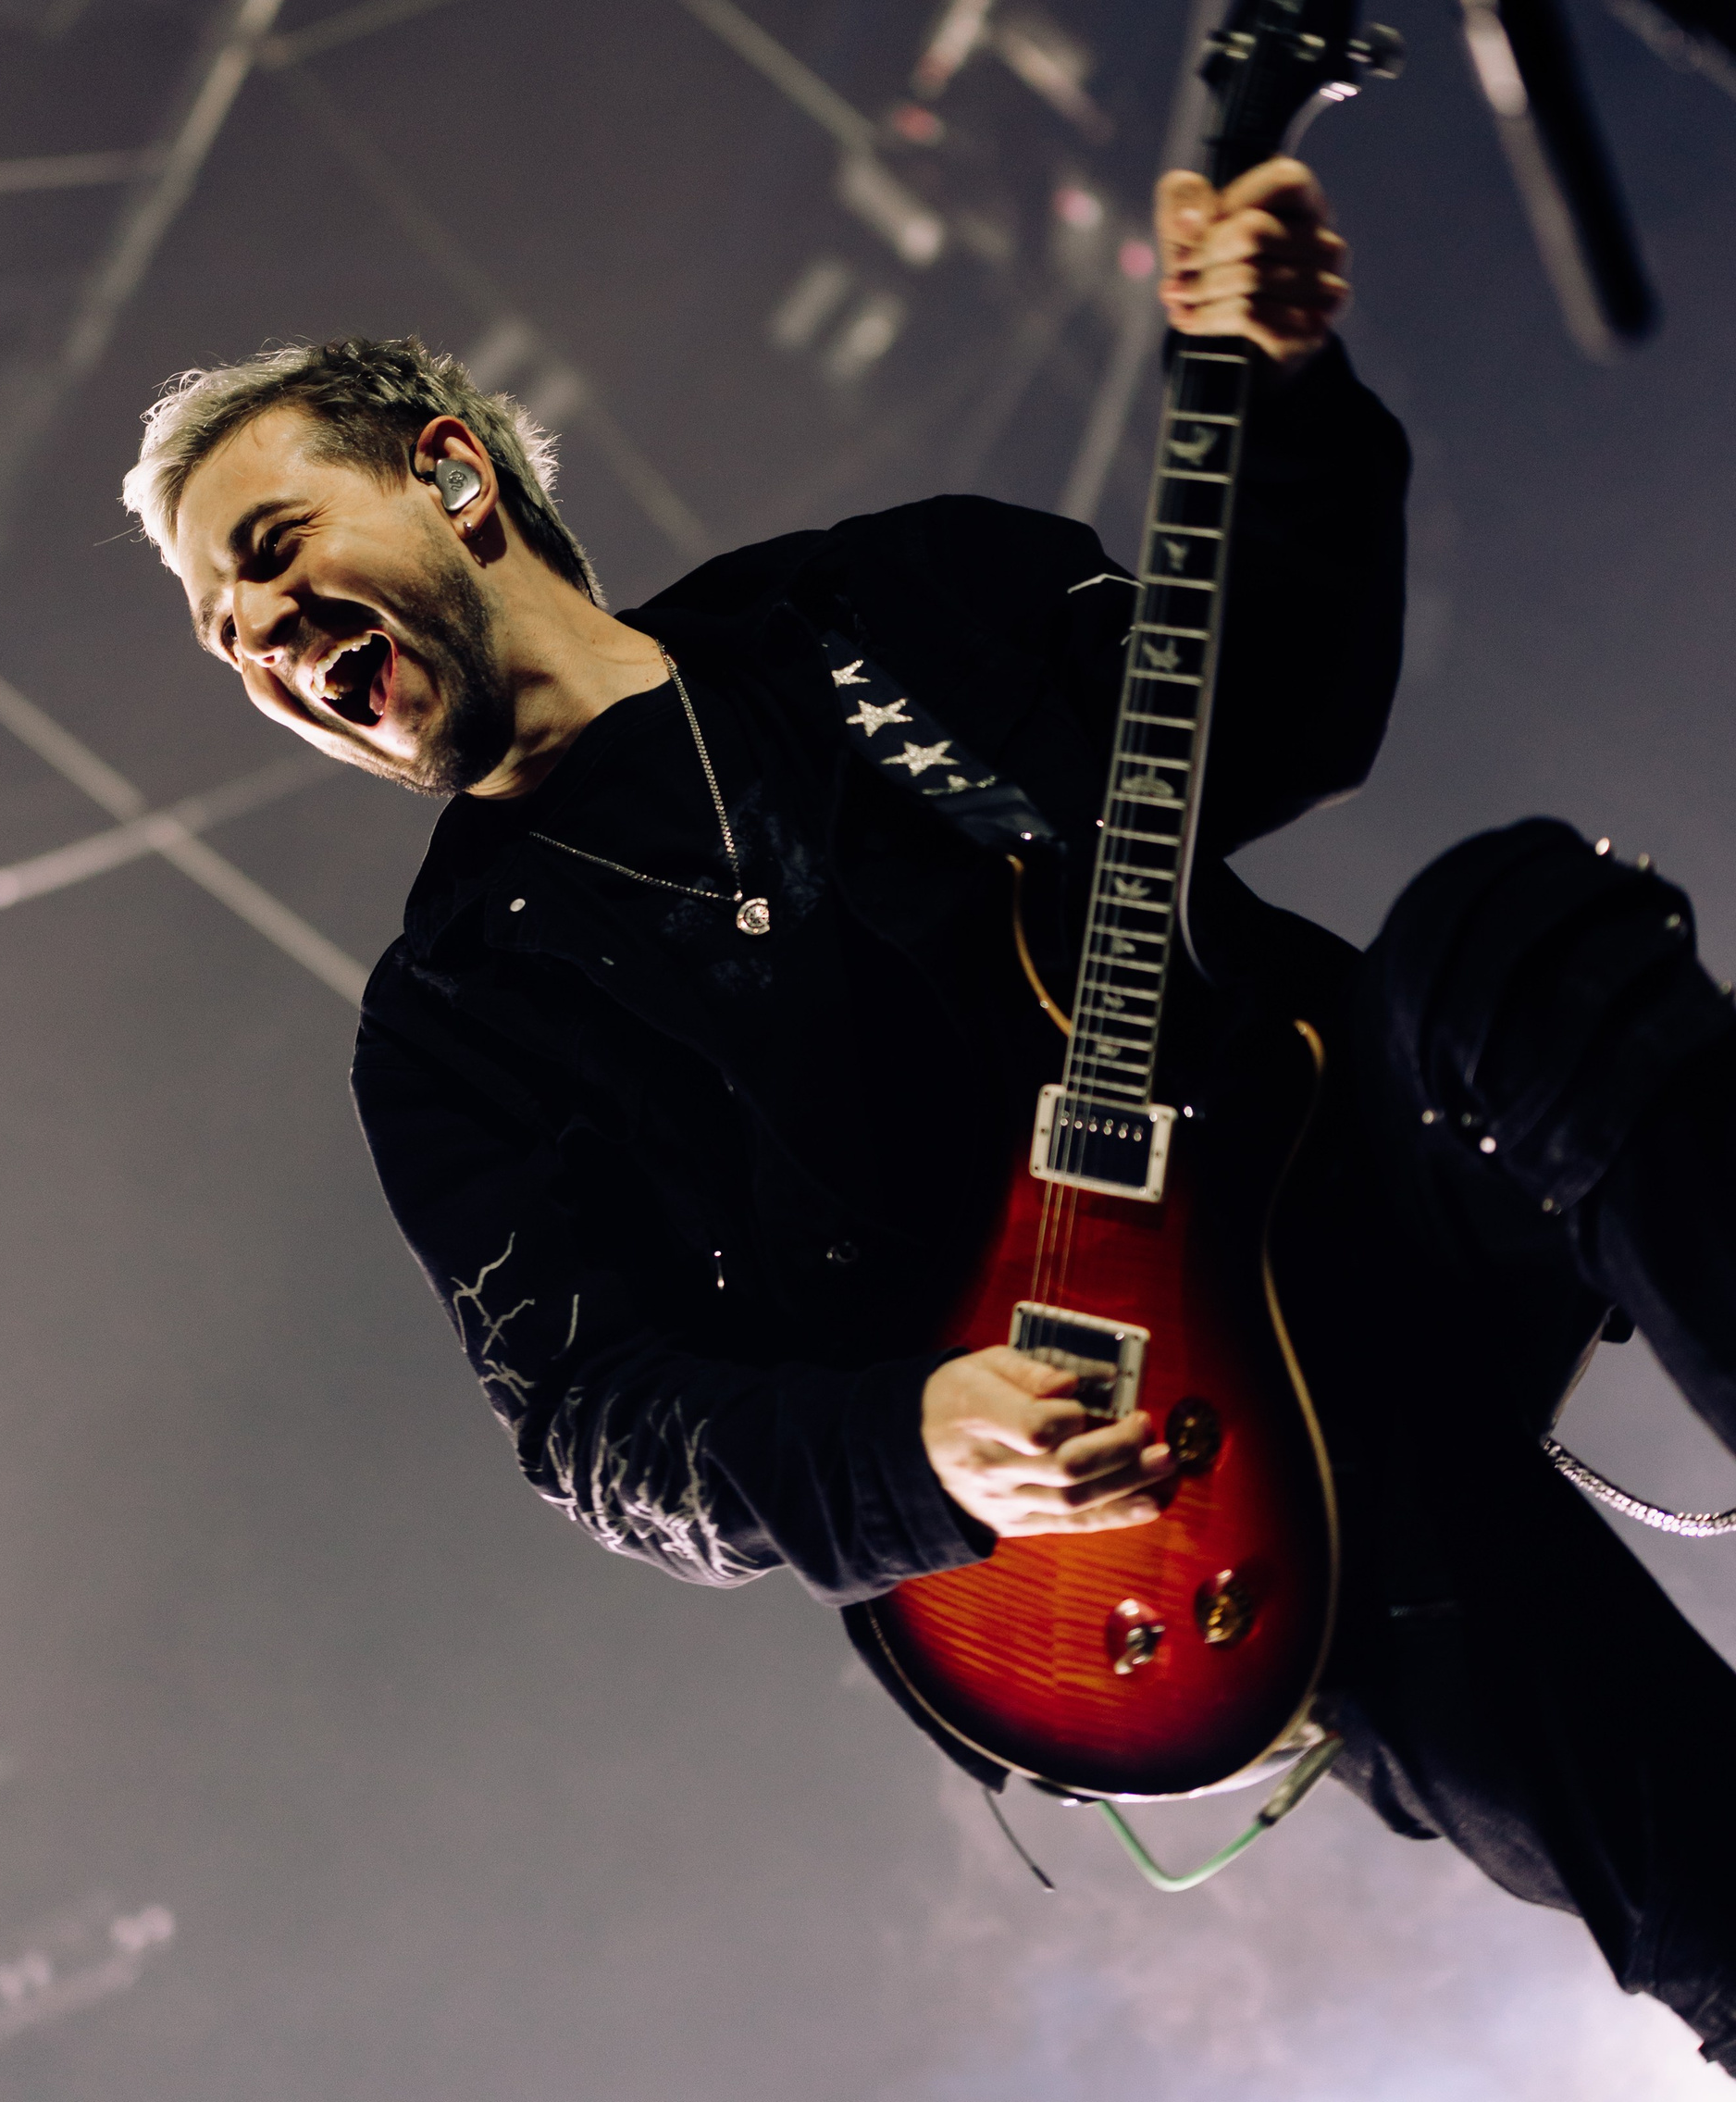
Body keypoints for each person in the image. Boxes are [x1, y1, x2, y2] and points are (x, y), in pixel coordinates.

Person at [124, 160, 1736, 2067]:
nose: (261, 628)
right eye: (224, 631)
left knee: (1519, 930)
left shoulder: (879, 606)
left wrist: (1291, 393)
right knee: (1699, 1871)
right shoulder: (452, 1030)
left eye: (276, 544)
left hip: (1344, 1181)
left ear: (456, 478)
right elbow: (600, 1431)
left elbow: (1287, 703)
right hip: (1145, 1481)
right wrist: (917, 1447)